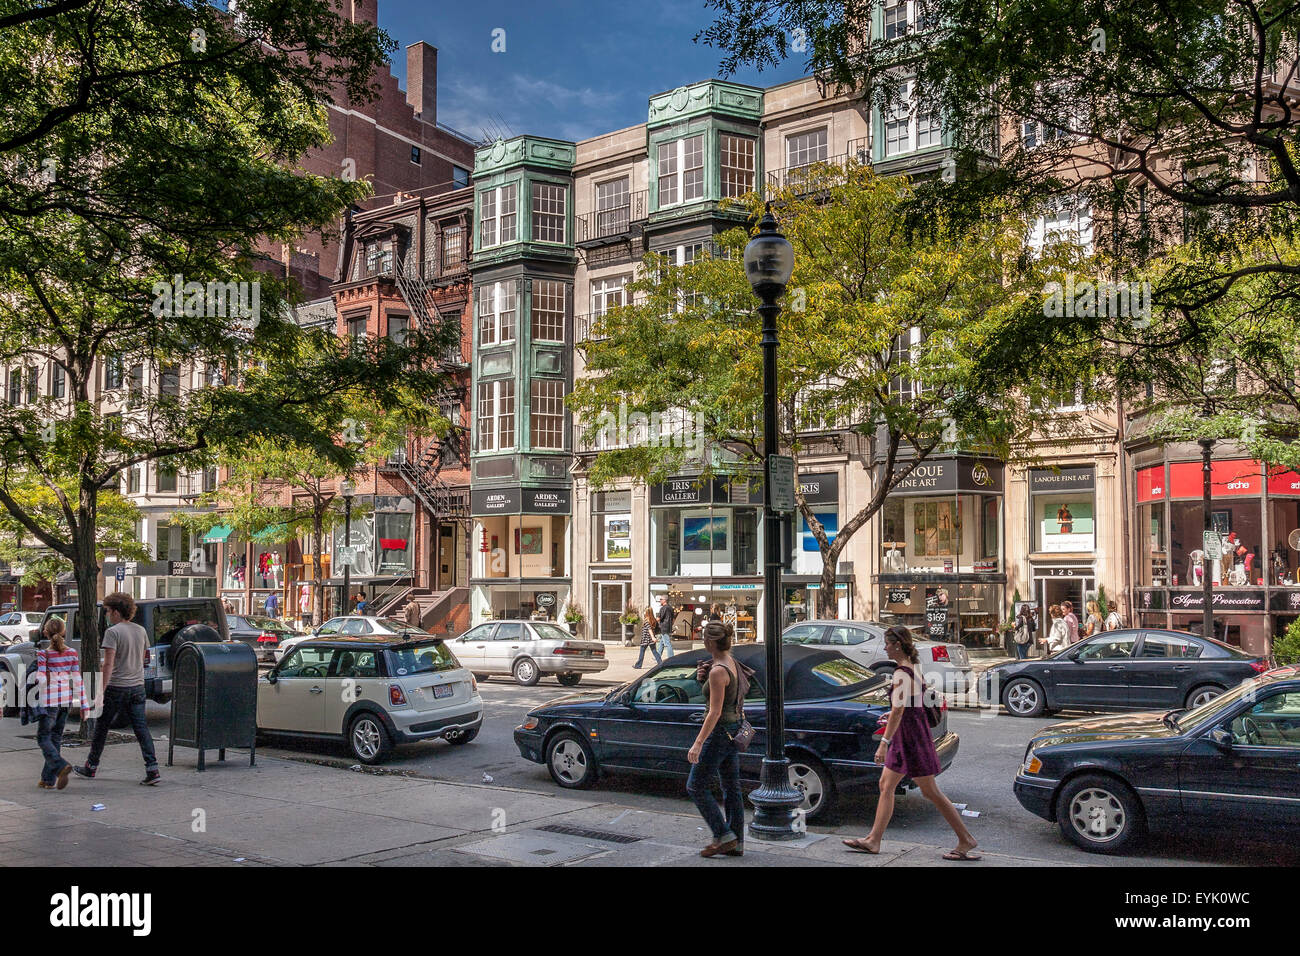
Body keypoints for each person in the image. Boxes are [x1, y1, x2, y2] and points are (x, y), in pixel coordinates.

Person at [842, 626, 980, 861]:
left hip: (911, 739)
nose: (884, 647)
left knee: (930, 792)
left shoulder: (902, 673)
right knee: (886, 785)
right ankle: (874, 840)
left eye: (887, 643)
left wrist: (883, 742)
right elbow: (909, 706)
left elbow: (898, 710)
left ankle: (966, 839)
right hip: (910, 735)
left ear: (897, 645)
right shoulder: (912, 669)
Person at [75, 592, 160, 785]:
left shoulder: (113, 633)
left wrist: (100, 692)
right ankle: (152, 769)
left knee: (101, 727)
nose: (106, 615)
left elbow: (108, 664)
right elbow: (141, 657)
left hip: (117, 686)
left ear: (115, 612)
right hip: (137, 686)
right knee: (141, 729)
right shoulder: (140, 630)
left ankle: (91, 766)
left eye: (107, 611)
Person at [686, 621, 746, 858]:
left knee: (695, 785)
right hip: (734, 728)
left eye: (703, 637)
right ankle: (737, 842)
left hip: (720, 732)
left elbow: (714, 711)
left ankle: (723, 835)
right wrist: (703, 681)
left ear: (710, 642)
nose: (702, 641)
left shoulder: (718, 670)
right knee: (731, 786)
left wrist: (698, 742)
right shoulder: (730, 662)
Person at [34, 618, 82, 790]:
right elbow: (77, 679)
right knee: (55, 738)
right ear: (63, 632)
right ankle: (48, 780)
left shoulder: (43, 654)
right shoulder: (72, 653)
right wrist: (84, 704)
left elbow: (40, 678)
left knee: (43, 737)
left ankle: (61, 766)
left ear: (45, 632)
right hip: (66, 700)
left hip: (50, 702)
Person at [655, 596, 675, 662]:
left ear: (665, 600)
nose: (660, 600)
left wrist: (654, 621)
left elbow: (659, 618)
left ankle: (671, 658)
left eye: (661, 599)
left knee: (667, 643)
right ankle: (657, 657)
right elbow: (673, 619)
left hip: (663, 627)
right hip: (668, 627)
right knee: (662, 642)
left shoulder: (663, 608)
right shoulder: (671, 608)